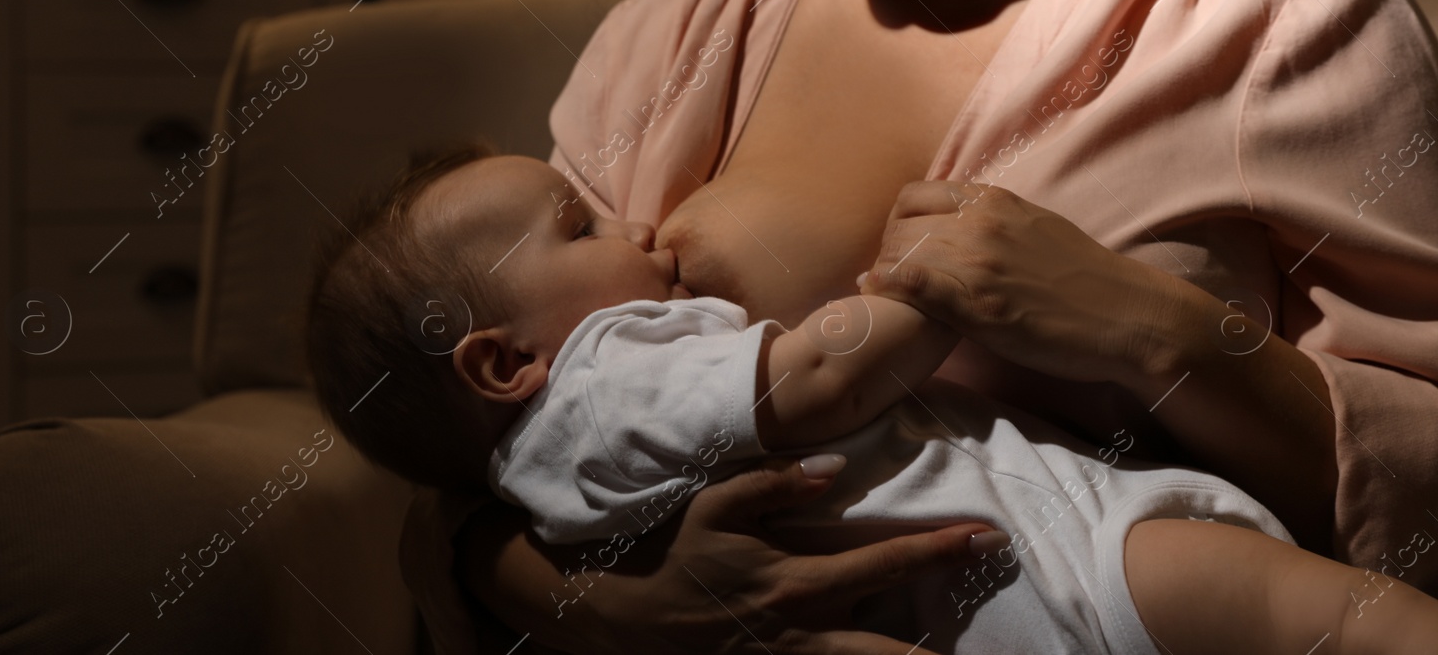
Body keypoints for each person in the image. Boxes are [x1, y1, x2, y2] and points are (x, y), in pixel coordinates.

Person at [399, 0, 1438, 652]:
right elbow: (492, 429)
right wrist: (611, 603)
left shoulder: (1281, 3)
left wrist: (1149, 328)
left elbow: (1419, 480)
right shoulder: (677, 36)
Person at [307, 147, 1438, 655]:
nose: (636, 224)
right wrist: (943, 282)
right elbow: (817, 377)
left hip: (983, 597)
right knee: (1346, 623)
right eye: (580, 225)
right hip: (1064, 560)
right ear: (504, 365)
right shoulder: (604, 375)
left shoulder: (551, 442)